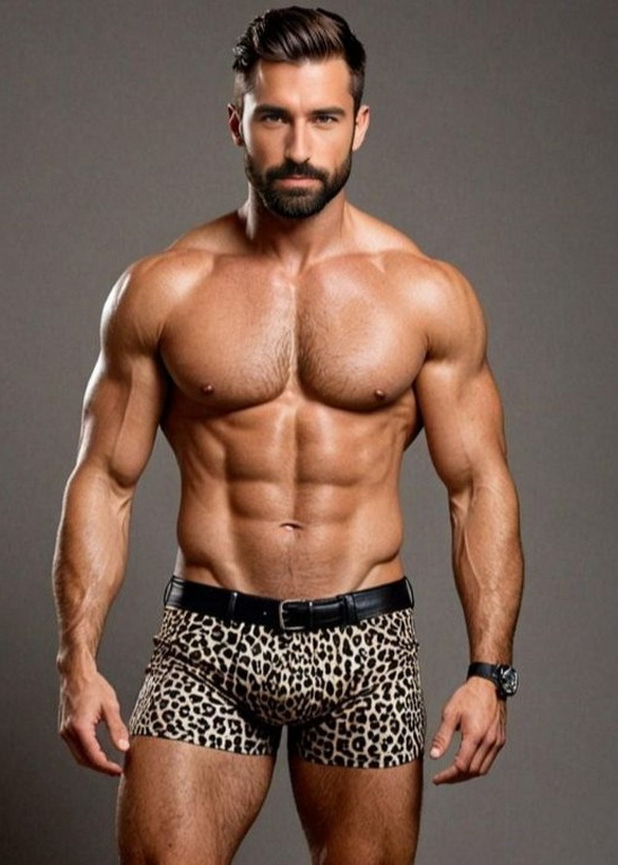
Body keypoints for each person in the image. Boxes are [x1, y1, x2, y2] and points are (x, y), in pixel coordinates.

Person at [52, 7, 523, 864]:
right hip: (208, 638)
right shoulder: (164, 289)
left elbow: (477, 485)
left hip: (365, 645)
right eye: (275, 117)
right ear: (238, 122)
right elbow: (104, 480)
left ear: (360, 125)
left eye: (324, 118)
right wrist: (76, 662)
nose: (300, 146)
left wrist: (490, 672)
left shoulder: (424, 294)